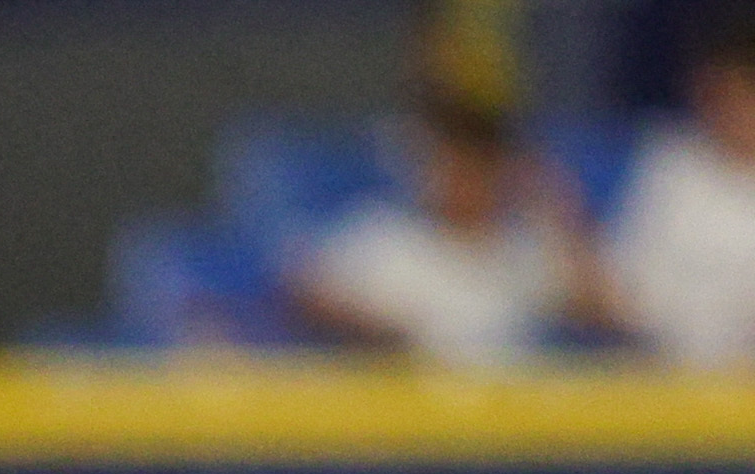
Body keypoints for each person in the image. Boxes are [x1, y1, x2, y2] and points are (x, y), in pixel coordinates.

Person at [286, 85, 594, 359]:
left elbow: (606, 315)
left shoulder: (526, 247)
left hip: (509, 412)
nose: (465, 181)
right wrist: (381, 336)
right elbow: (305, 296)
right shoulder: (385, 234)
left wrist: (561, 213)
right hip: (408, 408)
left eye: (480, 166)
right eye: (453, 164)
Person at [598, 8, 755, 363]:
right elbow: (622, 290)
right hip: (669, 379)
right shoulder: (669, 166)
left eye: (742, 96)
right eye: (720, 97)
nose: (731, 111)